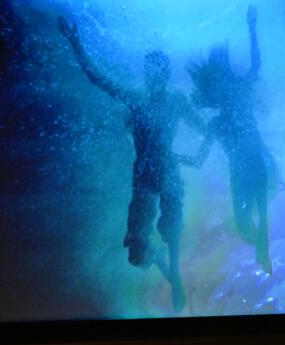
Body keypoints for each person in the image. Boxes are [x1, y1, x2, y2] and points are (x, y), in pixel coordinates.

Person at [58, 15, 204, 310]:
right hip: (144, 176)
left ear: (165, 74)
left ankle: (174, 276)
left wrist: (201, 155)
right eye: (150, 70)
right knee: (136, 255)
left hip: (168, 172)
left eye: (159, 70)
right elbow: (97, 78)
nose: (154, 76)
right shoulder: (136, 98)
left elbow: (205, 129)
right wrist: (75, 43)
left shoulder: (176, 101)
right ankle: (166, 267)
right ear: (148, 74)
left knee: (171, 228)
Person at [181, 5, 276, 273]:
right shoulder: (217, 122)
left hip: (255, 163)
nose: (223, 88)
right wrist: (173, 158)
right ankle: (262, 247)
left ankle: (264, 249)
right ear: (212, 90)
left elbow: (256, 64)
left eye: (223, 80)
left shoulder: (241, 94)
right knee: (244, 227)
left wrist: (252, 28)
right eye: (216, 85)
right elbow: (199, 159)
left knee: (258, 216)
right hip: (241, 172)